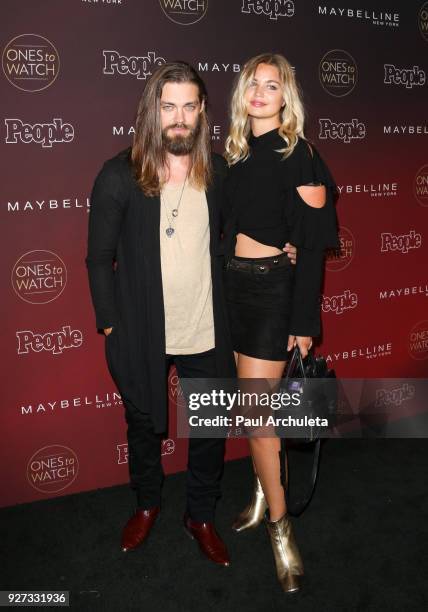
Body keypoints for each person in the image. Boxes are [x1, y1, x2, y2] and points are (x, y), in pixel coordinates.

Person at [86, 60, 297, 567]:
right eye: (168, 107)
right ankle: (147, 503)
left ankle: (199, 514)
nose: (179, 118)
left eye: (189, 106)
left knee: (207, 429)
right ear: (152, 111)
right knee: (143, 424)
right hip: (141, 331)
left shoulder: (219, 172)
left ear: (203, 112)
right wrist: (112, 325)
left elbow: (247, 227)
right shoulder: (120, 175)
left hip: (206, 327)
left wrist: (284, 247)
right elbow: (98, 258)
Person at [222, 53, 339, 592]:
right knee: (251, 411)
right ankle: (263, 493)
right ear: (243, 92)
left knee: (260, 416)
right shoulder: (234, 154)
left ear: (286, 97)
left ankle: (281, 530)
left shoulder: (302, 154)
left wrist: (303, 320)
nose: (262, 93)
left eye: (273, 86)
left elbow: (312, 246)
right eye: (254, 84)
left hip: (272, 292)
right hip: (232, 291)